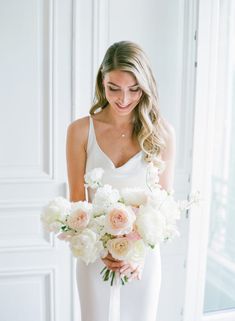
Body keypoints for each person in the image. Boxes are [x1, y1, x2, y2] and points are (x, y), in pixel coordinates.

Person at [66, 40, 176, 321]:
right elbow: (78, 199)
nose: (123, 99)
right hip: (94, 254)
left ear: (145, 86)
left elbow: (164, 205)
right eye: (113, 88)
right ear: (101, 82)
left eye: (134, 89)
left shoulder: (162, 133)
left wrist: (136, 252)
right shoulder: (80, 131)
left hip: (143, 260)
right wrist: (102, 249)